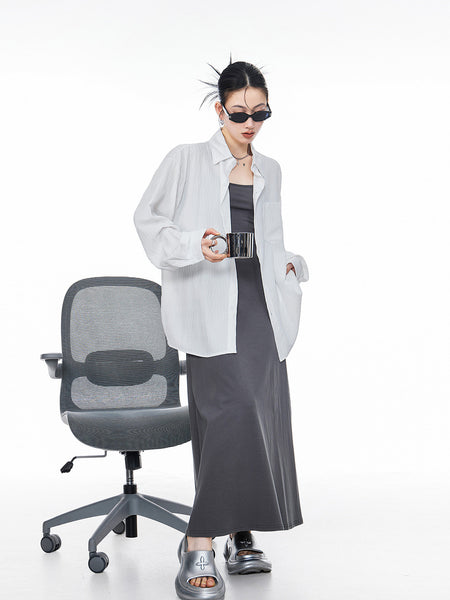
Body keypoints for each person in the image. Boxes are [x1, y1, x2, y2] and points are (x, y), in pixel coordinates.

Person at [134, 57, 309, 600]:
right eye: (240, 113)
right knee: (227, 413)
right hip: (211, 302)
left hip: (262, 303)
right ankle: (198, 540)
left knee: (258, 414)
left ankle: (241, 532)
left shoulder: (271, 168)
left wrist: (292, 266)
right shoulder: (185, 160)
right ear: (220, 110)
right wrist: (196, 245)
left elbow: (269, 237)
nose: (251, 124)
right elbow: (148, 222)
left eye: (261, 113)